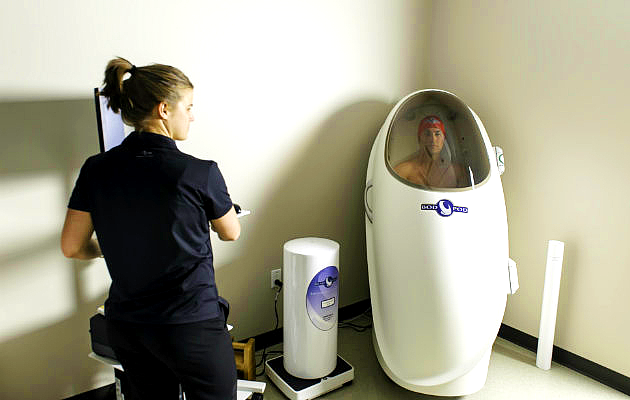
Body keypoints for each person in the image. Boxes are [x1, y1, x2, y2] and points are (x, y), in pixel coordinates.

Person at [61, 57, 240, 400]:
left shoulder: (95, 169)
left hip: (130, 328)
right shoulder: (199, 172)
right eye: (188, 107)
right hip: (191, 328)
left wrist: (110, 243)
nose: (191, 115)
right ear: (163, 109)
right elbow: (231, 231)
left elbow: (72, 247)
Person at [394, 115, 460, 188]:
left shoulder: (457, 172)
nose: (433, 140)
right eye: (427, 134)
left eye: (437, 134)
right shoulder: (403, 171)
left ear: (444, 139)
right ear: (419, 138)